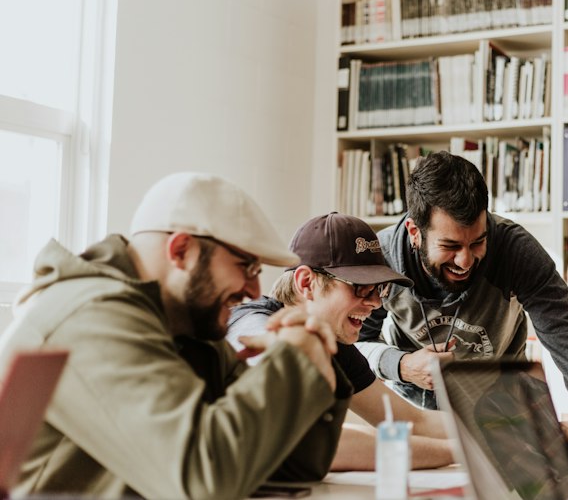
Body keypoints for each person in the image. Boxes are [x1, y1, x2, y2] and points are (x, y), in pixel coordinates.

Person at [0, 172, 351, 498]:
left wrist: (315, 361)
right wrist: (293, 362)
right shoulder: (92, 317)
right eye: (245, 266)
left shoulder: (186, 326)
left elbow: (288, 467)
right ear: (181, 250)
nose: (254, 290)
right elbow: (202, 480)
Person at [356, 151, 568, 440]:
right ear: (415, 232)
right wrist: (402, 365)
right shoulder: (381, 258)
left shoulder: (515, 250)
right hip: (417, 418)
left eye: (478, 242)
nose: (465, 261)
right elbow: (355, 346)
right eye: (450, 246)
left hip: (503, 412)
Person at [226, 212, 455, 471]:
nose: (376, 303)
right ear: (306, 283)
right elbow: (314, 442)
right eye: (361, 287)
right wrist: (460, 452)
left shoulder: (334, 344)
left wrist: (493, 432)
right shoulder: (252, 326)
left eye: (378, 289)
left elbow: (411, 421)